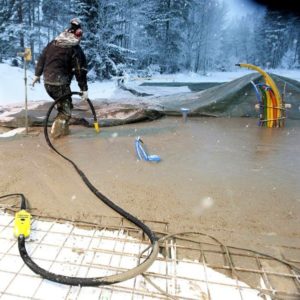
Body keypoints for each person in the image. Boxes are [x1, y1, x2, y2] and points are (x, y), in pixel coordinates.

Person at [32, 18, 88, 138]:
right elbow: (79, 70)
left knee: (62, 104)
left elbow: (42, 57)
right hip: (60, 84)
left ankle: (64, 131)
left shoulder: (53, 43)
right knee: (65, 112)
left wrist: (37, 74)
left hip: (47, 83)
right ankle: (57, 135)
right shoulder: (74, 49)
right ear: (77, 36)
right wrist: (84, 89)